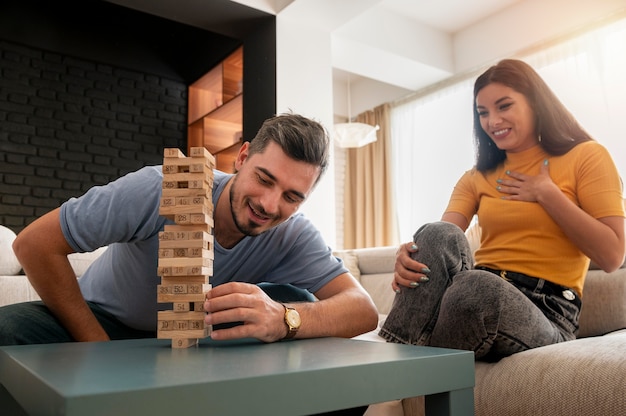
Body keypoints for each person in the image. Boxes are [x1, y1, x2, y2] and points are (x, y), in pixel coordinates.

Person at [2, 112, 378, 347]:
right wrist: (96, 346)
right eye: (264, 179)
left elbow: (362, 310)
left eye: (292, 196)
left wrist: (284, 319)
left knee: (301, 304)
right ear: (242, 157)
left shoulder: (293, 232)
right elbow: (34, 244)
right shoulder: (163, 186)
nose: (269, 204)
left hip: (200, 337)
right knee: (8, 330)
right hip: (102, 319)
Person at [379, 59, 625, 361]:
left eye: (504, 106)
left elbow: (612, 256)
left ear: (535, 103)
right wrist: (411, 254)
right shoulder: (476, 177)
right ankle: (392, 367)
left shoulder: (587, 156)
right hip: (468, 298)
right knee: (436, 233)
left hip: (545, 311)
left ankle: (401, 370)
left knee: (476, 287)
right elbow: (443, 243)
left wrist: (548, 194)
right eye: (483, 113)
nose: (492, 121)